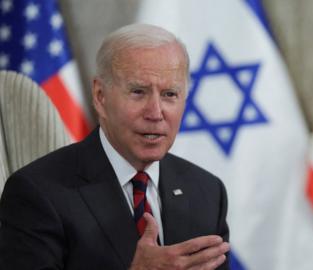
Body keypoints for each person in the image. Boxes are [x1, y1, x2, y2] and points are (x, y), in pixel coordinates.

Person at [0, 24, 230, 269]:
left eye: (169, 94)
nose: (155, 112)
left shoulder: (207, 192)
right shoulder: (37, 193)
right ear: (100, 96)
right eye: (138, 92)